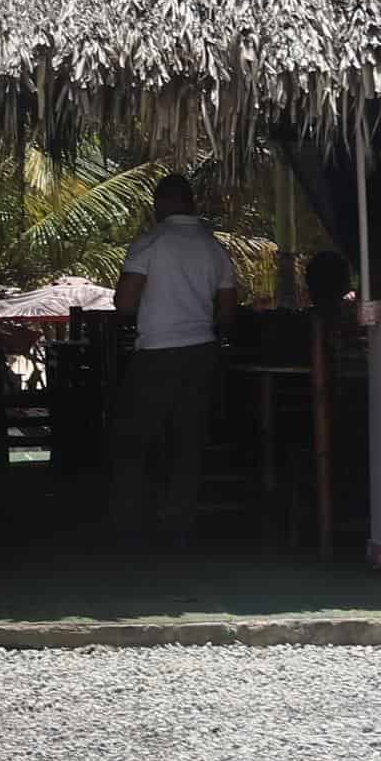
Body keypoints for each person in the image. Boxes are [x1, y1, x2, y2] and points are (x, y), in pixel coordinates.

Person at [108, 172, 235, 546]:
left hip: (156, 353)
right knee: (188, 440)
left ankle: (128, 523)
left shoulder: (150, 243)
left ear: (160, 204)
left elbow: (125, 302)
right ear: (192, 204)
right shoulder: (215, 248)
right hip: (202, 352)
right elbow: (228, 312)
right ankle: (178, 524)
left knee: (133, 439)